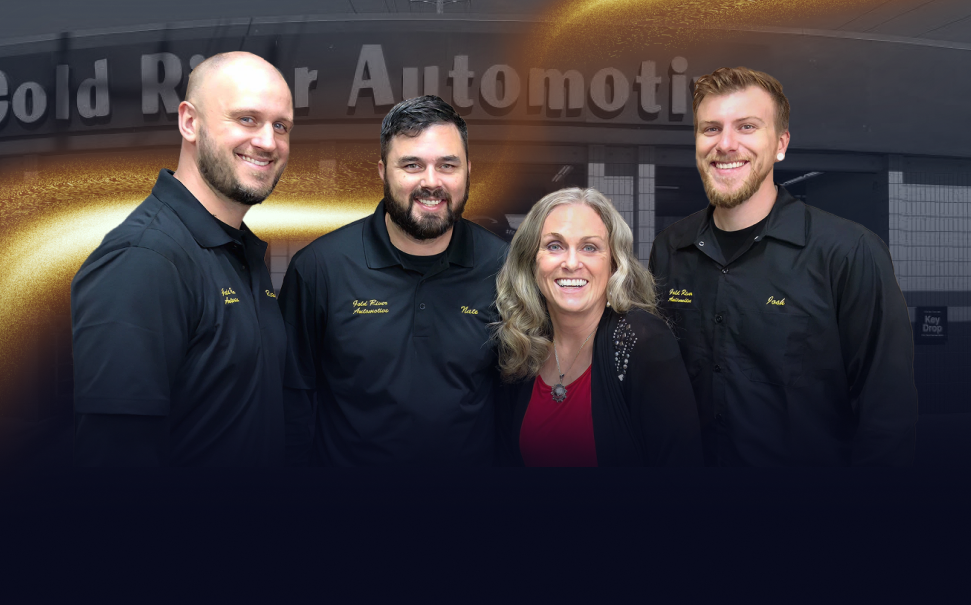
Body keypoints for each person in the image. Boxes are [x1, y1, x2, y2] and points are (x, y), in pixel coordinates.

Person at [649, 66, 918, 467]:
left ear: (780, 144)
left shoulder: (849, 252)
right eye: (710, 129)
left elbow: (889, 415)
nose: (725, 144)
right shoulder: (670, 247)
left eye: (747, 127)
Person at [69, 52, 293, 466]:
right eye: (247, 119)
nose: (268, 141)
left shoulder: (242, 252)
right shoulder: (144, 259)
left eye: (280, 125)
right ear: (190, 122)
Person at [278, 96, 508, 466]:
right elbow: (292, 403)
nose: (431, 182)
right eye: (412, 165)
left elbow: (515, 404)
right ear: (383, 172)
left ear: (468, 171)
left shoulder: (503, 268)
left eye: (447, 165)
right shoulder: (321, 269)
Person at [491, 188, 703, 467]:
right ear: (531, 261)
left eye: (589, 247)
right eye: (554, 246)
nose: (571, 263)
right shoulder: (523, 342)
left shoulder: (642, 342)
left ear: (615, 263)